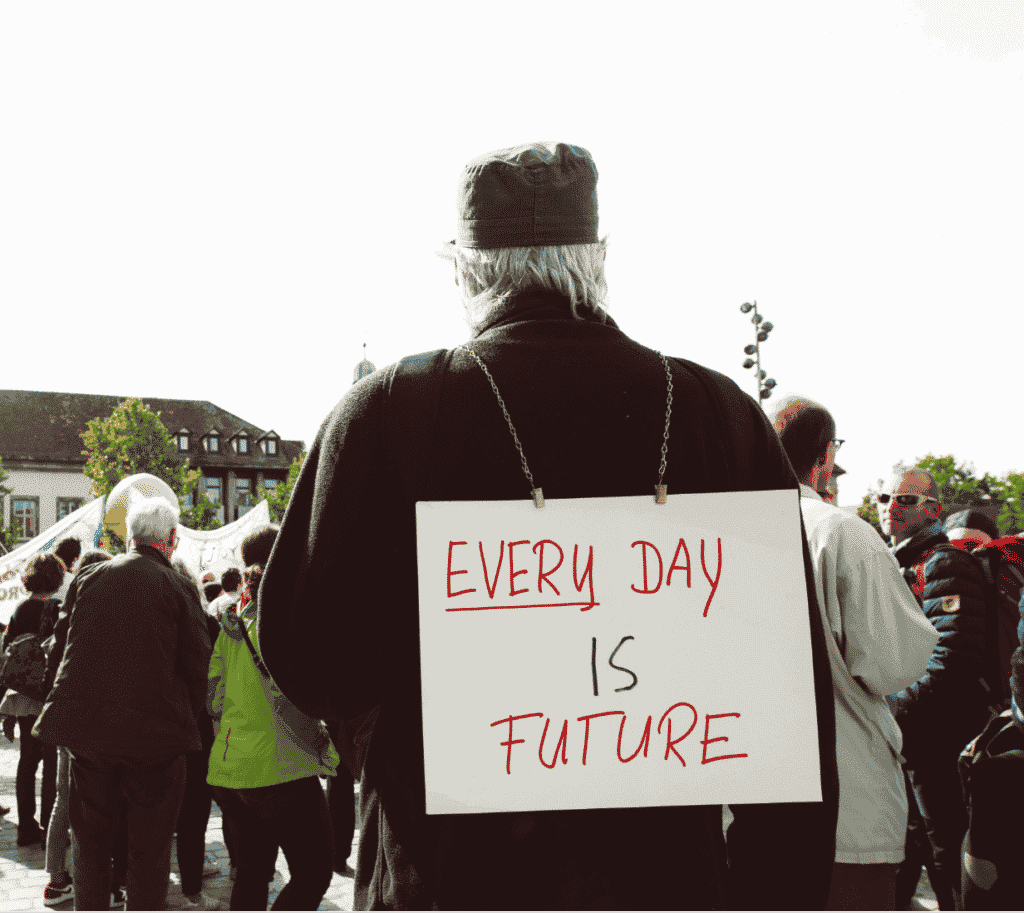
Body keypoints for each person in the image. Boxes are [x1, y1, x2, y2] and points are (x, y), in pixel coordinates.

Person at [256, 141, 840, 911]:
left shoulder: (390, 412)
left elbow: (309, 659)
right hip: (666, 884)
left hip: (443, 879)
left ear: (464, 268)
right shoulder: (719, 414)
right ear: (599, 259)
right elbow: (789, 703)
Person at [771, 397, 939, 910]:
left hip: (754, 804)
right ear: (823, 457)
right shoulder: (841, 532)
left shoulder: (726, 533)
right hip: (848, 804)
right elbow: (893, 665)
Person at [33, 497, 212, 912]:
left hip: (91, 736)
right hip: (155, 742)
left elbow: (61, 651)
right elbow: (198, 668)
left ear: (130, 536)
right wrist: (184, 718)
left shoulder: (89, 577)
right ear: (171, 539)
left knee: (91, 849)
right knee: (148, 854)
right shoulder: (180, 586)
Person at [207, 525, 338, 911]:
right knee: (315, 872)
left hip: (234, 770)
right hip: (282, 768)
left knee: (251, 873)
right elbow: (304, 694)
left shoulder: (231, 622)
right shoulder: (286, 618)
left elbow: (213, 697)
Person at [881, 467, 990, 911]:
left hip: (943, 743)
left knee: (944, 849)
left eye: (906, 500)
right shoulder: (904, 564)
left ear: (933, 509)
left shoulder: (943, 562)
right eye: (887, 497)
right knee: (909, 849)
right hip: (918, 742)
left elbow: (953, 660)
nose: (891, 508)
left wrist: (892, 713)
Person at [40, 548, 113, 908]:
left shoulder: (67, 612)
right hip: (85, 723)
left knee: (65, 801)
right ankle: (66, 882)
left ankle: (59, 878)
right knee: (76, 804)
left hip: (71, 720)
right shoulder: (88, 616)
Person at [171, 559, 225, 912]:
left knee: (157, 811)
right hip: (196, 730)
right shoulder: (204, 622)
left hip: (158, 726)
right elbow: (220, 678)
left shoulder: (148, 622)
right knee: (193, 812)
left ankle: (156, 881)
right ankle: (191, 888)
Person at [0, 553, 63, 847]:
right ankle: (50, 831)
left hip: (24, 696)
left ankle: (25, 828)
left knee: (27, 760)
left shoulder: (21, 608)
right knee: (51, 764)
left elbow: (7, 651)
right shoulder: (57, 609)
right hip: (48, 696)